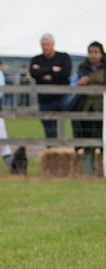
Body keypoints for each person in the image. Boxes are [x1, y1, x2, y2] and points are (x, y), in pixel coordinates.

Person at [30, 33, 73, 139]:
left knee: (67, 122)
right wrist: (52, 69)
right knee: (49, 128)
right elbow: (34, 73)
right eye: (43, 45)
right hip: (45, 99)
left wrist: (44, 73)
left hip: (62, 97)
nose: (45, 47)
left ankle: (64, 145)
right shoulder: (36, 59)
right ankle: (51, 147)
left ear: (53, 44)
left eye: (47, 44)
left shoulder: (63, 57)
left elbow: (65, 73)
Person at [72, 41, 105, 176]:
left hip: (103, 109)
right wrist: (79, 84)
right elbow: (72, 85)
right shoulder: (82, 68)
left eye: (96, 52)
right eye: (90, 52)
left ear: (102, 54)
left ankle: (103, 171)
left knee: (103, 141)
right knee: (87, 142)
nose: (93, 55)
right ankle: (88, 173)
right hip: (86, 109)